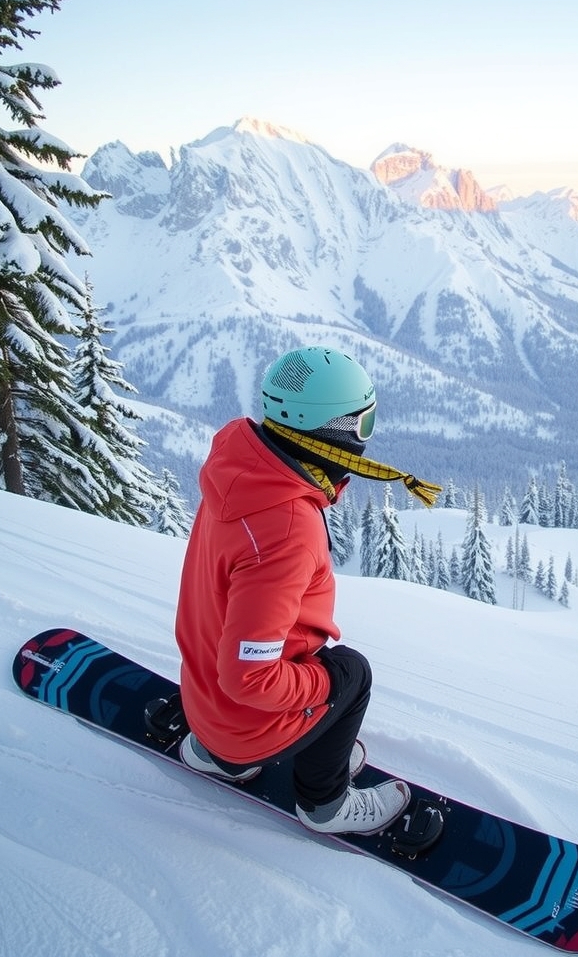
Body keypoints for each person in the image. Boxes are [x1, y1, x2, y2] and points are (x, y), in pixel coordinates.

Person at [175, 346, 440, 835]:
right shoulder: (287, 526)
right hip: (243, 717)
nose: (367, 436)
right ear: (332, 433)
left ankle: (219, 756)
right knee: (350, 673)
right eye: (364, 423)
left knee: (324, 675)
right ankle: (325, 805)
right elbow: (249, 678)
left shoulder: (241, 471)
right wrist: (326, 689)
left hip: (204, 698)